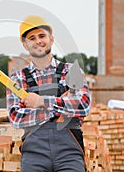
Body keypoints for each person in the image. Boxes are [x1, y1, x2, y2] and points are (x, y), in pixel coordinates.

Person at [6, 15, 91, 172]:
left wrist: (40, 102)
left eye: (42, 36)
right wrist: (62, 104)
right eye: (32, 38)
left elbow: (83, 105)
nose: (38, 41)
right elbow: (16, 118)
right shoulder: (17, 79)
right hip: (34, 154)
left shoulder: (71, 71)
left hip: (69, 153)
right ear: (25, 44)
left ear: (51, 39)